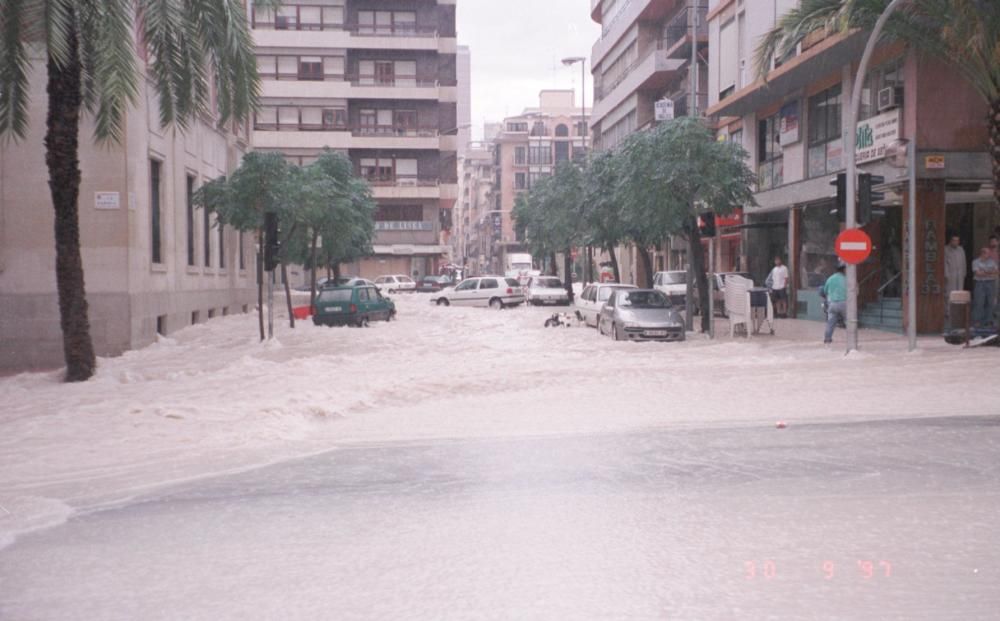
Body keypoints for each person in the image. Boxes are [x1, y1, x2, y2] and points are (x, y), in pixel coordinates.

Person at [971, 247, 998, 328]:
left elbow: (996, 272)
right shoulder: (976, 262)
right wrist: (990, 272)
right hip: (980, 283)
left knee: (990, 302)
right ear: (983, 253)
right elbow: (978, 273)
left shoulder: (992, 261)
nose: (989, 255)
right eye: (987, 253)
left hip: (991, 283)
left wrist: (984, 271)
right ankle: (977, 321)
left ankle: (989, 321)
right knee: (979, 302)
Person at [821, 262, 847, 345]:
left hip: (832, 304)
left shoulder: (830, 278)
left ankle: (827, 340)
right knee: (849, 322)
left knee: (830, 323)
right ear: (843, 270)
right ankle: (851, 341)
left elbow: (824, 291)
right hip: (844, 303)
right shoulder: (846, 279)